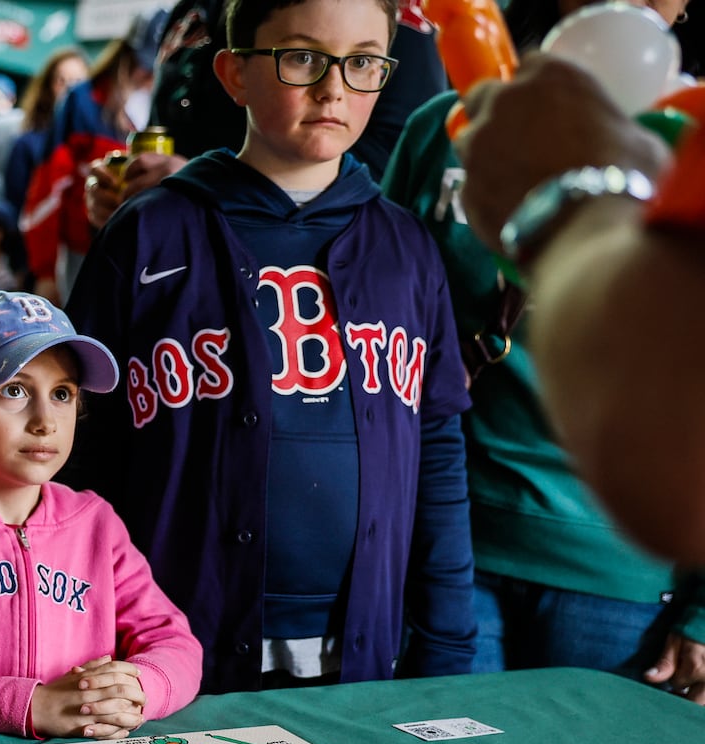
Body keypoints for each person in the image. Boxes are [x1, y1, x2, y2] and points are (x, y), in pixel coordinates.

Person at [66, 0, 476, 694]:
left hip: (361, 653)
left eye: (363, 62)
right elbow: (80, 452)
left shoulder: (408, 249)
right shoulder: (148, 234)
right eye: (302, 58)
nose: (334, 87)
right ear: (234, 74)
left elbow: (437, 450)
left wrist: (446, 640)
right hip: (168, 650)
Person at [379, 0, 703, 688]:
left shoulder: (694, 144)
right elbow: (371, 300)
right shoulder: (448, 127)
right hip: (446, 536)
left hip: (624, 568)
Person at [456, 53, 705, 698]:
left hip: (618, 569)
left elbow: (672, 488)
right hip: (467, 535)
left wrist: (573, 202)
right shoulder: (460, 119)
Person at [0, 292, 203, 738]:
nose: (45, 420)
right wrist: (31, 706)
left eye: (62, 394)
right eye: (15, 391)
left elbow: (174, 641)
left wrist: (136, 686)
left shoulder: (96, 524)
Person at [84, 0, 448, 229]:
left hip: (327, 258)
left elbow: (399, 158)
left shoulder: (378, 11)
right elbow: (162, 130)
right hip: (172, 245)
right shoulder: (188, 12)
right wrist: (129, 186)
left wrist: (203, 185)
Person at [20, 8, 168, 304]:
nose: (147, 74)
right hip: (82, 250)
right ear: (125, 52)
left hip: (151, 255)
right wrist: (45, 271)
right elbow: (49, 187)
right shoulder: (82, 101)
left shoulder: (170, 101)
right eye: (142, 63)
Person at [2, 47, 88, 215]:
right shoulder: (26, 144)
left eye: (77, 82)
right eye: (61, 81)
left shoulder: (99, 143)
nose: (69, 90)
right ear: (48, 87)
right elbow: (15, 208)